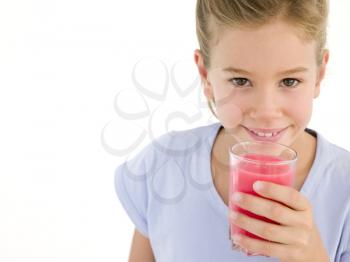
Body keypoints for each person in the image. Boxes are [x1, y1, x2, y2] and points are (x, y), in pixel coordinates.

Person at [114, 0, 350, 261]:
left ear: (319, 74)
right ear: (206, 75)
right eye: (240, 80)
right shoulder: (163, 167)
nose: (266, 111)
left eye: (289, 81)